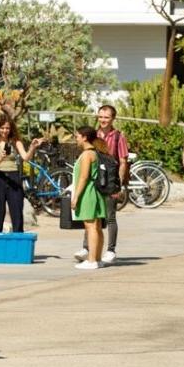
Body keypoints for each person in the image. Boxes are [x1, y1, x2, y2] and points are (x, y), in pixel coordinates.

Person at [76, 104, 128, 264]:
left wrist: (118, 184)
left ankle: (111, 250)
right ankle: (87, 248)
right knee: (91, 216)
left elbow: (123, 161)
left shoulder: (119, 137)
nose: (103, 120)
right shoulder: (93, 134)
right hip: (95, 181)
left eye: (106, 117)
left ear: (113, 119)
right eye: (100, 117)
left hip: (109, 182)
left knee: (110, 217)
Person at [0, 113, 44, 233]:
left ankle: (18, 244)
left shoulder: (15, 141)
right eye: (2, 128)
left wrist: (33, 147)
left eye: (7, 128)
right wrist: (1, 158)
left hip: (13, 177)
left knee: (17, 213)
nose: (5, 131)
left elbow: (26, 157)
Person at [70, 126, 109, 270]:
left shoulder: (87, 155)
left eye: (77, 136)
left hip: (88, 192)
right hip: (96, 192)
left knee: (91, 226)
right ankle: (97, 258)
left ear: (84, 137)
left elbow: (84, 177)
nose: (76, 138)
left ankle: (92, 260)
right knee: (97, 226)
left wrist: (76, 197)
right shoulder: (95, 152)